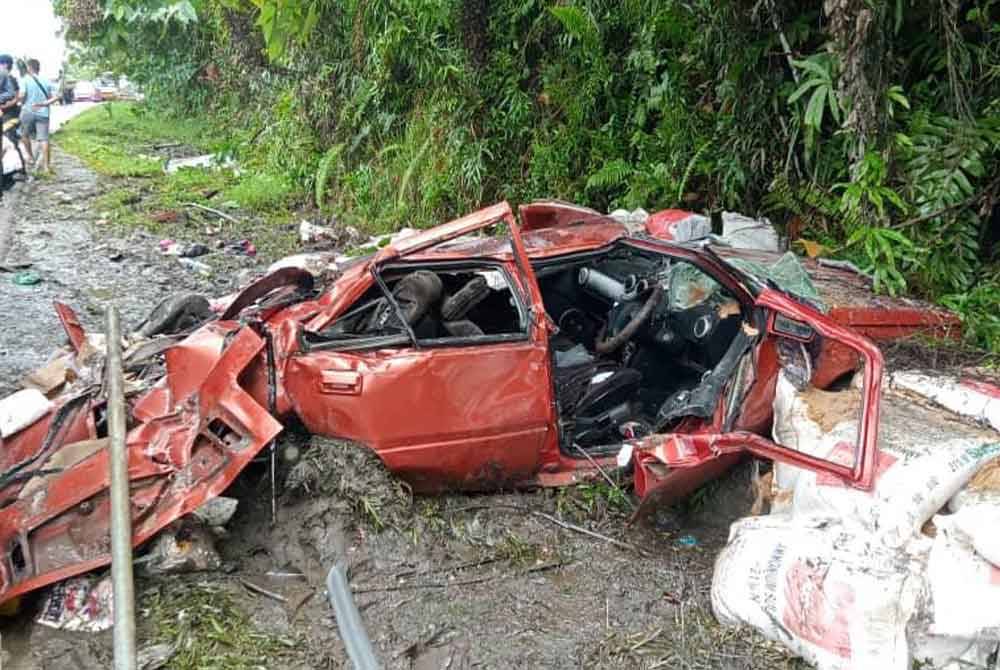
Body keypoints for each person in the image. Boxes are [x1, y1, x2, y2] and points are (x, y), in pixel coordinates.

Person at [18, 58, 58, 173]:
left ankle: (30, 157)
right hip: (43, 113)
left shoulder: (24, 79)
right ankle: (46, 166)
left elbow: (22, 95)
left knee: (24, 135)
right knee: (44, 139)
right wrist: (45, 103)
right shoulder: (46, 80)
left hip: (27, 111)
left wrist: (19, 101)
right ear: (38, 68)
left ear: (29, 68)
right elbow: (56, 96)